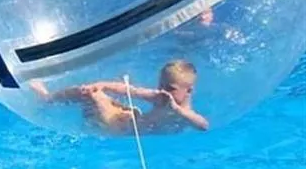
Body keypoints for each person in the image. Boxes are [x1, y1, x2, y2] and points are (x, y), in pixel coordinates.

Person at [30, 59, 209, 134]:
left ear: (189, 91)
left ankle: (45, 97)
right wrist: (102, 84)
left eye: (170, 88)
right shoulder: (159, 97)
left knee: (90, 97)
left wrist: (176, 109)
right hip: (128, 120)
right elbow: (129, 90)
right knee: (91, 91)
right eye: (161, 85)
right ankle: (48, 97)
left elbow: (203, 125)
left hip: (119, 131)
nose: (162, 90)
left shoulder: (183, 113)